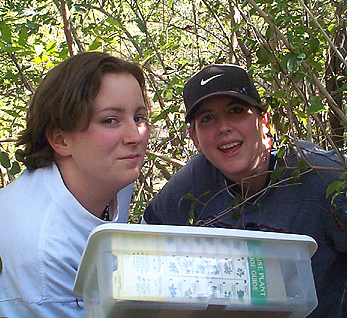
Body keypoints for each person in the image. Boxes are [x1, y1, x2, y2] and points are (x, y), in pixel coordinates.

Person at [143, 64, 347, 317]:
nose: (224, 127)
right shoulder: (191, 186)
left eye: (236, 111)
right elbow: (144, 251)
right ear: (194, 139)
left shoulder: (322, 177)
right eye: (207, 119)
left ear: (263, 121)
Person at [0, 51, 150, 317]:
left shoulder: (112, 174)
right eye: (110, 120)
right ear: (61, 139)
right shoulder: (44, 250)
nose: (134, 136)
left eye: (138, 117)